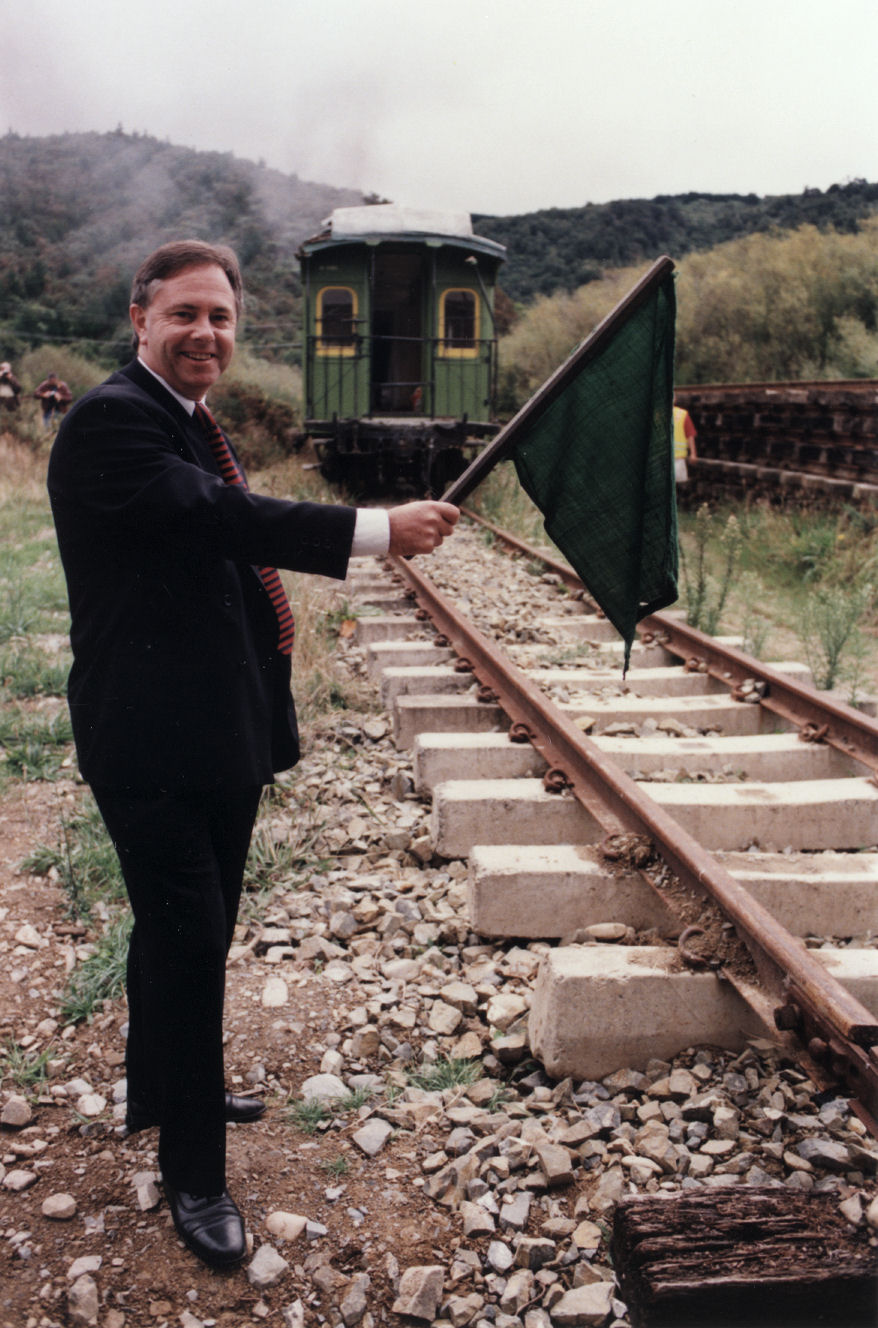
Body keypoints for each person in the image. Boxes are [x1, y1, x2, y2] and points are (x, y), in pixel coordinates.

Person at [47, 239, 459, 1270]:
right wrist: (374, 530)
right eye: (184, 313)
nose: (206, 334)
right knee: (189, 941)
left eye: (221, 318)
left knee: (194, 928)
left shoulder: (185, 420)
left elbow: (217, 556)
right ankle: (193, 1169)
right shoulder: (110, 422)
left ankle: (164, 1081)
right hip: (145, 739)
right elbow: (221, 518)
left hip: (215, 729)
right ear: (138, 318)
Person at [673, 402, 697, 482]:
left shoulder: (657, 414)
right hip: (677, 460)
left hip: (666, 460)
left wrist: (693, 453)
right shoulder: (682, 414)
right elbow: (690, 435)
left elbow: (690, 435)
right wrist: (693, 454)